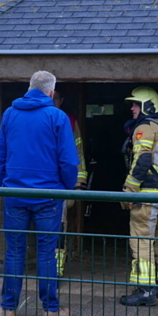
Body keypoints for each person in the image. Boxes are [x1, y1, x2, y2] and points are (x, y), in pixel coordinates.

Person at [0, 71, 79, 316]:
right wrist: (64, 187)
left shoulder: (10, 114)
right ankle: (51, 311)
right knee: (46, 253)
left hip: (15, 194)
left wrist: (7, 184)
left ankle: (7, 309)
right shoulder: (57, 116)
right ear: (51, 92)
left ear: (29, 87)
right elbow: (69, 161)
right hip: (48, 196)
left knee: (14, 252)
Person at [119, 86, 158, 307]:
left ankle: (145, 290)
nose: (132, 108)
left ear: (148, 106)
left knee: (142, 239)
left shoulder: (144, 128)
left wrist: (129, 190)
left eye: (136, 104)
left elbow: (142, 161)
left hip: (148, 195)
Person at [52, 90, 87, 276]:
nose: (52, 101)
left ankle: (55, 270)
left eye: (56, 98)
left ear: (62, 100)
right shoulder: (34, 119)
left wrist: (79, 183)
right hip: (37, 184)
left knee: (59, 226)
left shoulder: (70, 121)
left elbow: (78, 153)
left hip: (61, 184)